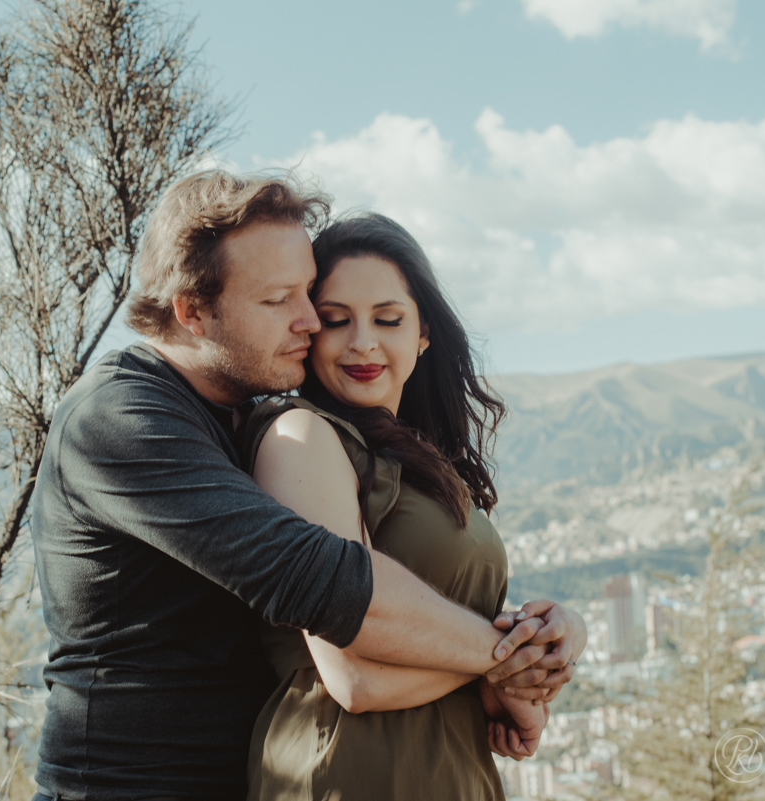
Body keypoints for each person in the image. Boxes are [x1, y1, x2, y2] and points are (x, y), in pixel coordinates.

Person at [29, 171, 567, 801]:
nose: (311, 322)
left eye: (309, 294)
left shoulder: (236, 414)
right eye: (279, 300)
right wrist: (515, 657)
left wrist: (543, 639)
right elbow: (322, 580)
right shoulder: (119, 421)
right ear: (193, 311)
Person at [242, 213, 588, 800]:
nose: (362, 342)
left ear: (423, 332)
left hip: (451, 775)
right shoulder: (300, 437)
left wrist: (558, 631)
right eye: (336, 320)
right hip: (345, 776)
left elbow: (447, 631)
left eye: (388, 319)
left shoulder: (420, 459)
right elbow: (353, 678)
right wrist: (505, 665)